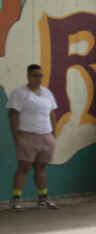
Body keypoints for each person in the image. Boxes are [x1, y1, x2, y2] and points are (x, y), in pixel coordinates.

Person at [7, 64, 58, 211]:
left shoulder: (47, 93)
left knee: (41, 167)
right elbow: (12, 115)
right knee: (24, 167)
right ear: (28, 76)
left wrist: (54, 135)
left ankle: (43, 197)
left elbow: (52, 114)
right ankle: (15, 199)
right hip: (28, 135)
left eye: (40, 75)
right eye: (35, 75)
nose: (38, 78)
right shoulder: (20, 93)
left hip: (46, 135)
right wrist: (17, 138)